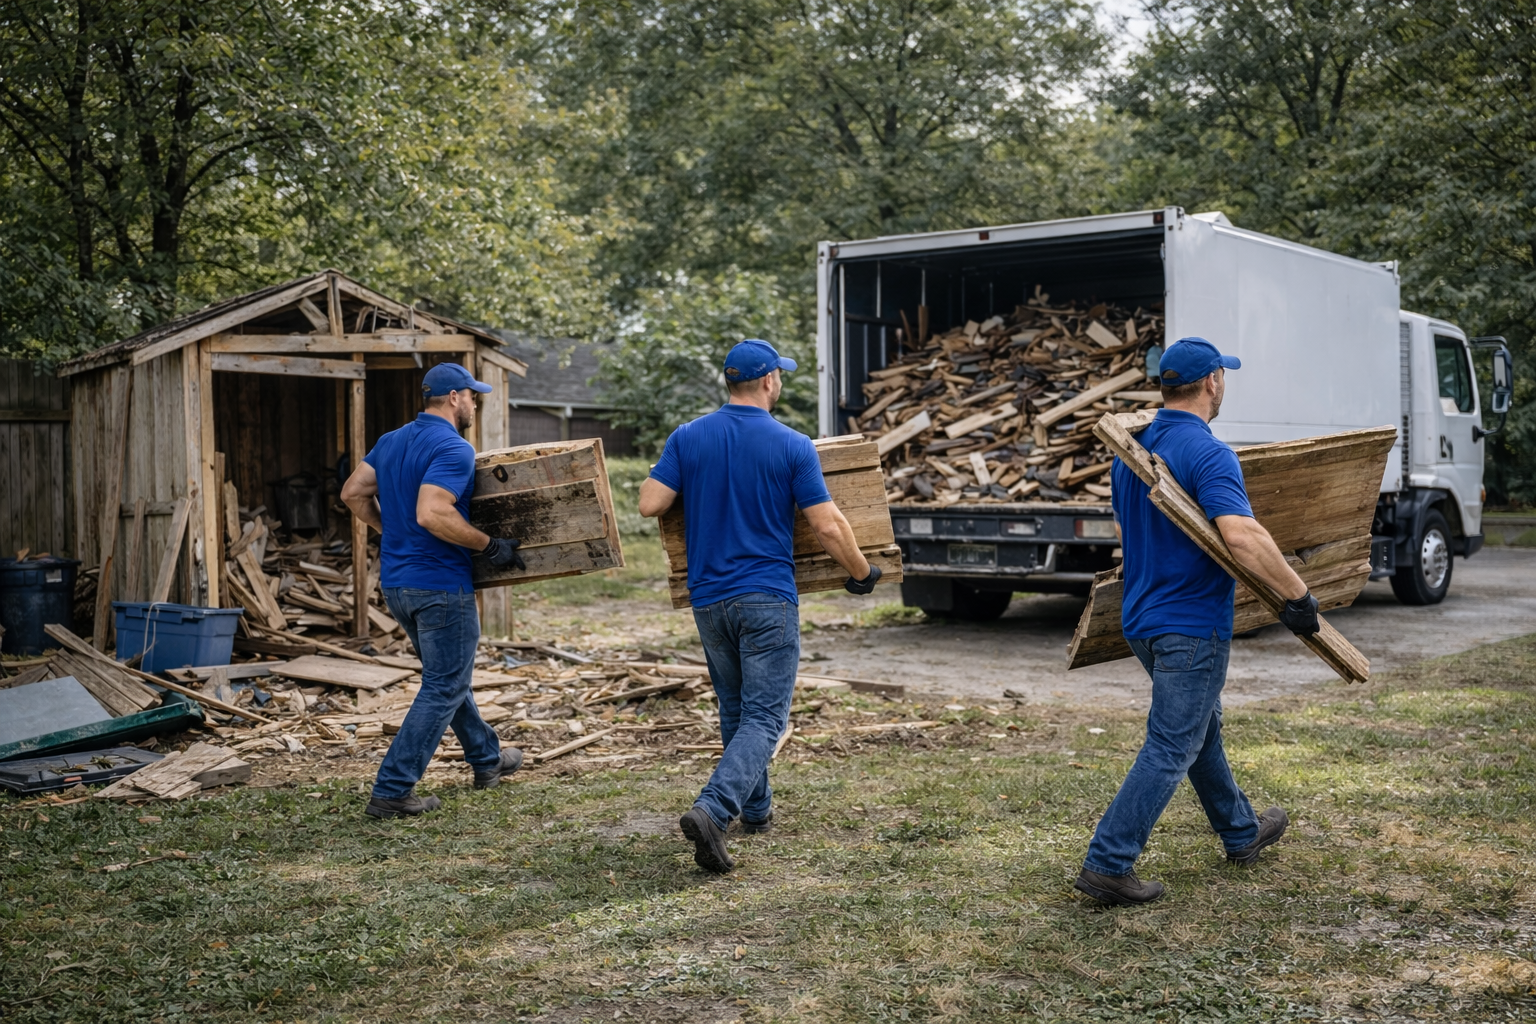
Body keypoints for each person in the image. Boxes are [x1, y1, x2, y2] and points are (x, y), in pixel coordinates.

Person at [1074, 337, 1321, 905]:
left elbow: (1125, 531)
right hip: (1190, 624)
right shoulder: (1209, 452)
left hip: (1143, 618)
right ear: (1212, 382)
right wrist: (1297, 595)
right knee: (1171, 742)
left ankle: (1240, 832)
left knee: (1197, 730)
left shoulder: (1133, 448)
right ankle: (1108, 864)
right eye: (1223, 376)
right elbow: (1241, 534)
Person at [638, 339, 883, 873]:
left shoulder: (687, 437)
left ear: (730, 383)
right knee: (766, 716)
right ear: (770, 381)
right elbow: (827, 523)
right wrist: (862, 572)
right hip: (766, 596)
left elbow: (649, 502)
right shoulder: (792, 444)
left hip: (709, 599)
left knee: (737, 707)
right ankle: (713, 808)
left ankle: (758, 809)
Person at [341, 361, 528, 819]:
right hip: (440, 586)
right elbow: (432, 512)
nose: (475, 402)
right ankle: (392, 789)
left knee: (447, 677)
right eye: (472, 395)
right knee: (444, 684)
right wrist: (489, 546)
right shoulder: (454, 447)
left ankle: (487, 760)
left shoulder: (392, 441)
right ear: (453, 398)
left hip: (399, 585)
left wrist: (391, 531)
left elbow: (351, 492)